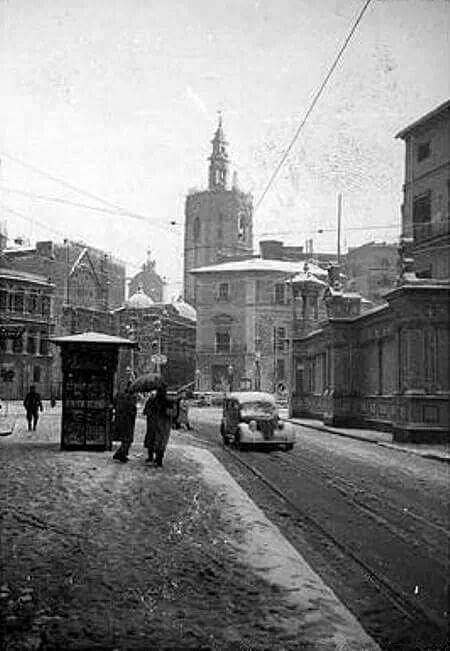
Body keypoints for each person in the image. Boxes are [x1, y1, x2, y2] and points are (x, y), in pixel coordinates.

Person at [143, 384, 175, 467]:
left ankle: (152, 457)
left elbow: (145, 411)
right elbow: (172, 413)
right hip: (163, 424)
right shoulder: (167, 400)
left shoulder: (153, 399)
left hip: (154, 423)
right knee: (161, 441)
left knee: (153, 440)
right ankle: (158, 459)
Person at [112, 382, 138, 463]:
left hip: (120, 419)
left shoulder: (120, 395)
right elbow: (132, 410)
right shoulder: (132, 398)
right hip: (128, 420)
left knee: (125, 438)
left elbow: (114, 403)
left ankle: (122, 453)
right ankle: (121, 454)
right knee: (128, 439)